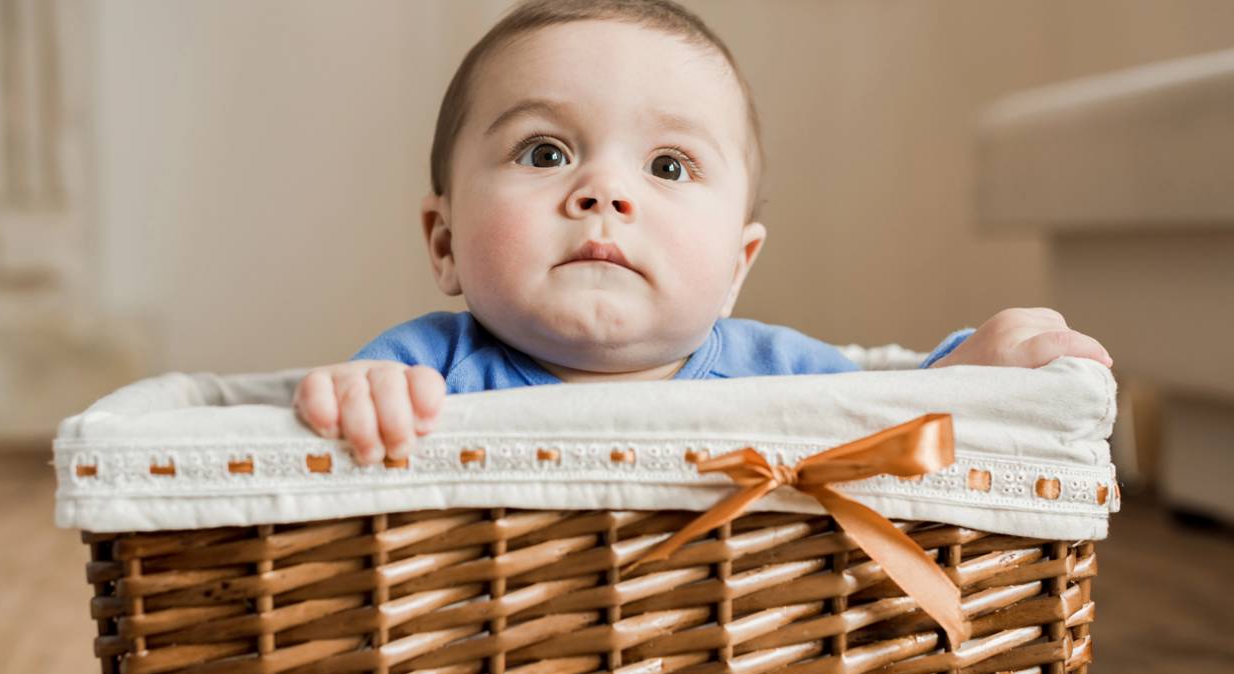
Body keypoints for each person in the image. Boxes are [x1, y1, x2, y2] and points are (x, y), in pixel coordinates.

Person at [293, 0, 1112, 466]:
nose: (604, 191)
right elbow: (338, 433)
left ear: (735, 266)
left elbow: (908, 424)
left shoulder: (779, 377)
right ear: (443, 243)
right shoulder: (429, 371)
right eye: (546, 151)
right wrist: (358, 398)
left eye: (670, 166)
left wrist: (977, 367)